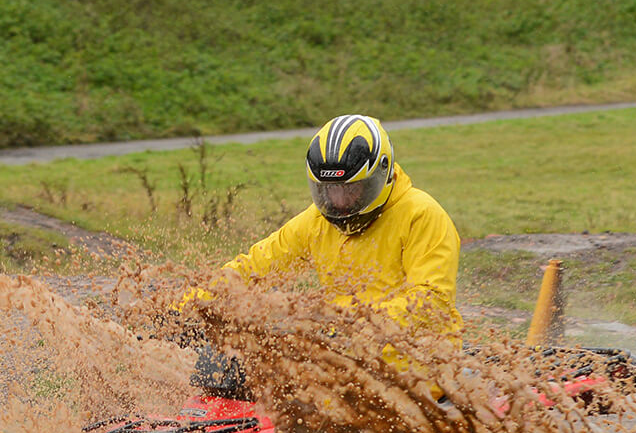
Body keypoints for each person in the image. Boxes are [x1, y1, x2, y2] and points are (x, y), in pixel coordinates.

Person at [181, 113, 464, 398]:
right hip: (342, 364)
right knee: (233, 364)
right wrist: (185, 307)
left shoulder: (422, 215)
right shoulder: (316, 222)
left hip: (417, 376)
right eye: (329, 190)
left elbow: (432, 302)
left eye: (351, 189)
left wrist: (352, 327)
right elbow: (255, 267)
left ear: (382, 173)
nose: (340, 203)